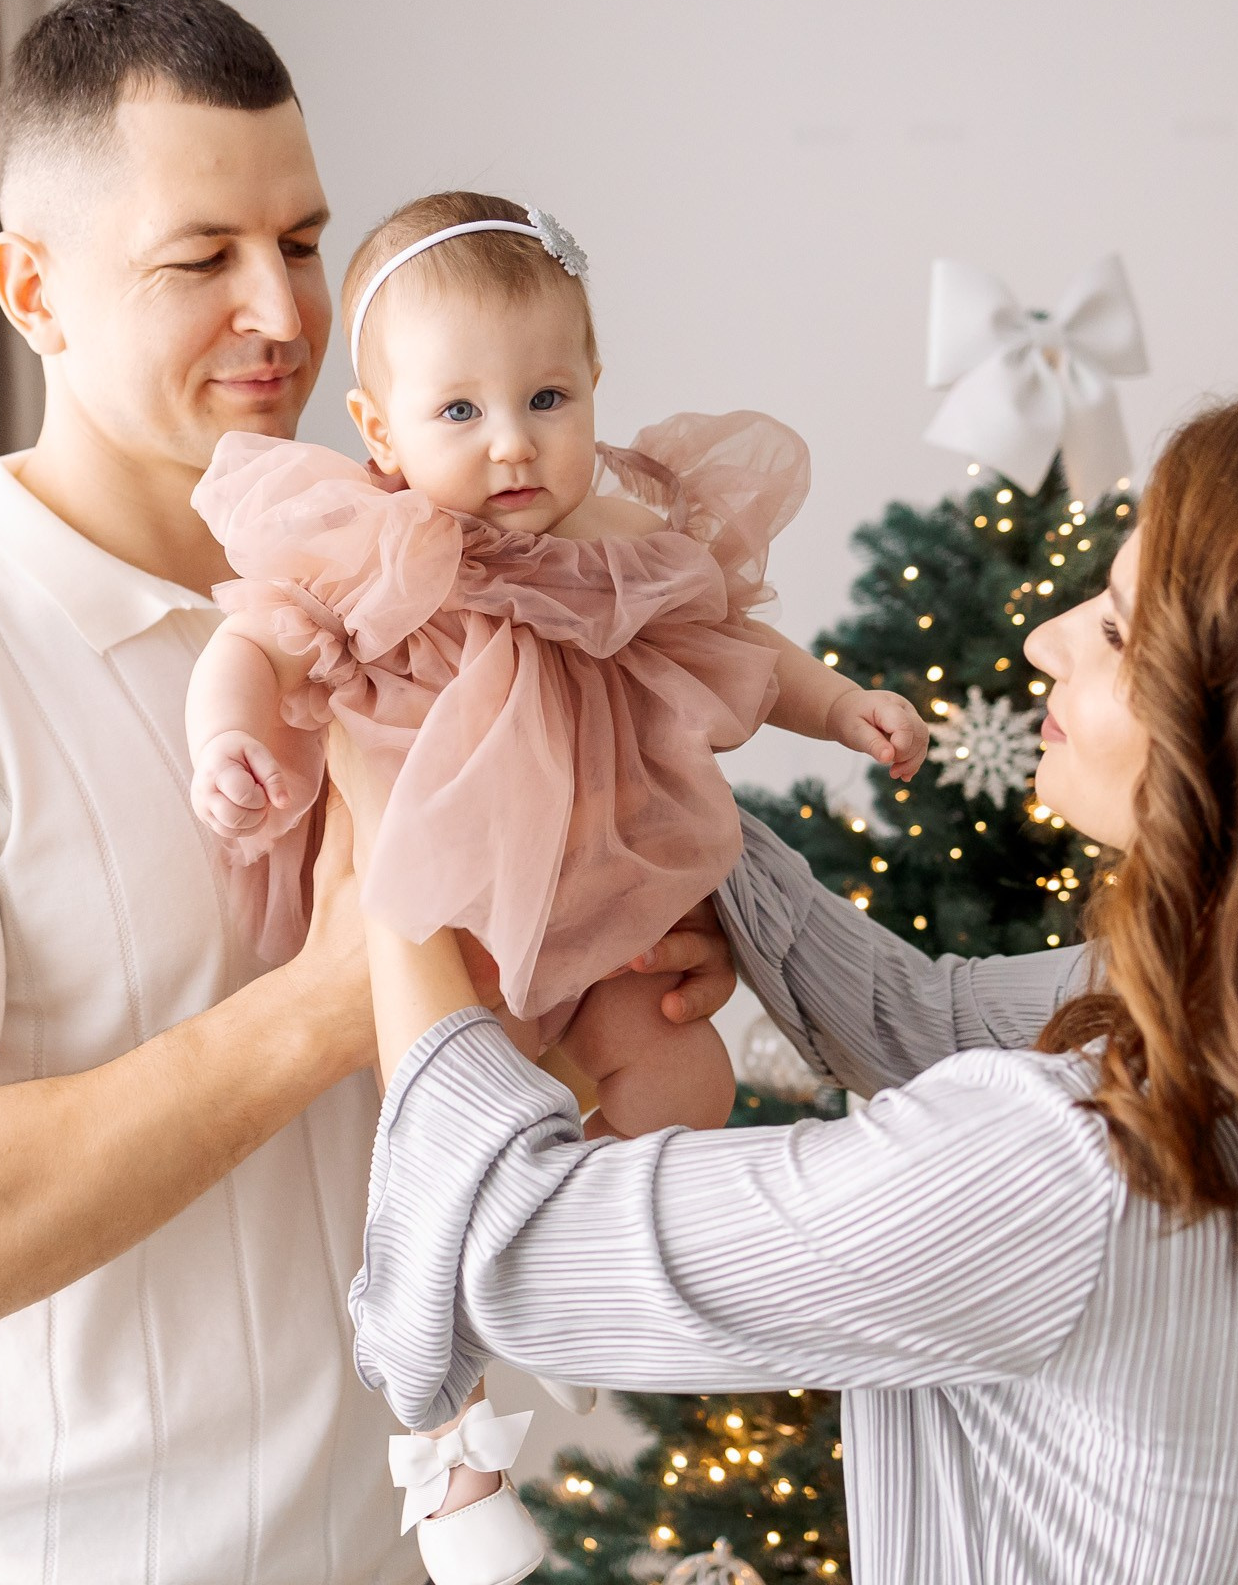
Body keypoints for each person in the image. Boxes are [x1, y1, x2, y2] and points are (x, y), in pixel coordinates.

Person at [0, 0, 728, 1583]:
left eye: (306, 241)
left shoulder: (446, 601)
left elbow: (489, 1075)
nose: (285, 311)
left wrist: (629, 938)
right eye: (201, 260)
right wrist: (338, 998)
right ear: (32, 290)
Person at [338, 382, 1238, 1585]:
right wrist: (684, 838)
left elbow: (517, 1250)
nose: (1042, 639)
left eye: (1120, 626)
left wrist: (402, 845)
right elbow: (931, 1018)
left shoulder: (1073, 1172)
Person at [181, 190, 928, 1581]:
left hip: (619, 921)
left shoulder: (632, 540)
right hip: (457, 927)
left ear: (595, 390)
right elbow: (258, 645)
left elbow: (745, 654)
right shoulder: (376, 546)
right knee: (443, 1164)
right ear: (378, 427)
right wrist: (223, 734)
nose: (513, 442)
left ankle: (617, 1272)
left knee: (681, 1077)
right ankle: (449, 1451)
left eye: (546, 395)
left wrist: (846, 710)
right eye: (457, 412)